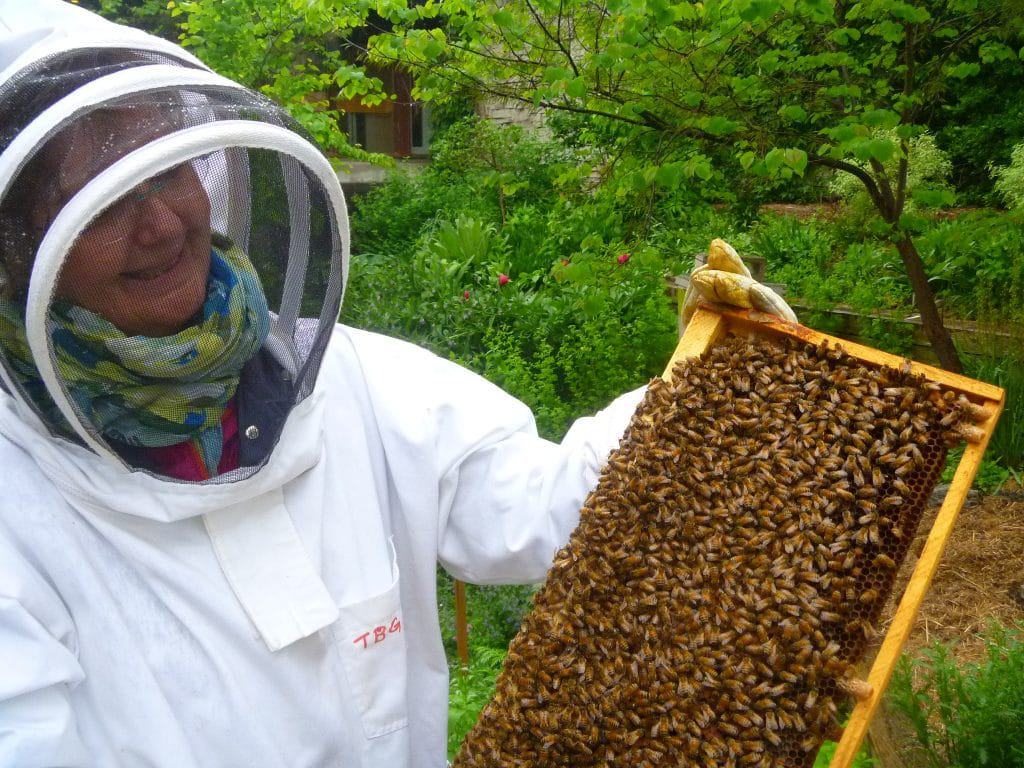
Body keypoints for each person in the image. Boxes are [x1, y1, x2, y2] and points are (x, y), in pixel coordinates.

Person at [0, 3, 794, 766]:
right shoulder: (17, 507)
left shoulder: (344, 375)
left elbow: (552, 503)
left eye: (166, 171)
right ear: (18, 244)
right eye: (97, 203)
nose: (161, 225)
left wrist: (709, 387)